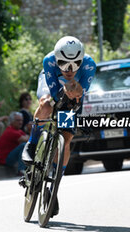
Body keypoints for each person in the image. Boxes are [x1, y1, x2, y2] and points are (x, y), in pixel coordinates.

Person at [21, 36, 96, 216]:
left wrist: (74, 93)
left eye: (74, 63)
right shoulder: (49, 61)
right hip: (52, 85)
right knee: (46, 104)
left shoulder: (89, 65)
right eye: (63, 62)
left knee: (67, 137)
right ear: (56, 58)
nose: (69, 69)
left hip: (73, 92)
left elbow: (79, 94)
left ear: (81, 60)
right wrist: (62, 95)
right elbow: (54, 94)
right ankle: (32, 142)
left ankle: (55, 184)